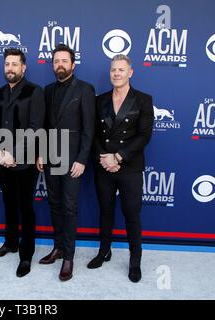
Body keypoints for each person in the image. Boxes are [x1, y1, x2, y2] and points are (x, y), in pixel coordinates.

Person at [87, 54, 154, 283]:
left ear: (130, 73)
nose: (116, 73)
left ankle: (135, 262)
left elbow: (144, 135)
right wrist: (104, 158)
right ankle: (104, 251)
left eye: (121, 70)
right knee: (105, 212)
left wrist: (119, 157)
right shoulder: (100, 100)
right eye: (113, 70)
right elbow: (94, 133)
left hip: (130, 166)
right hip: (104, 164)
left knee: (131, 215)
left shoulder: (143, 100)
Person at [37, 44, 95, 281]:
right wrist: (41, 152)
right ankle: (58, 247)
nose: (59, 65)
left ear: (73, 64)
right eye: (56, 61)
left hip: (72, 159)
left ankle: (69, 257)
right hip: (51, 156)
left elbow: (89, 129)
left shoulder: (85, 89)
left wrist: (82, 159)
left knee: (70, 207)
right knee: (55, 204)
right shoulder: (48, 90)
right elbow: (44, 126)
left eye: (64, 61)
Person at [0, 48, 45, 278]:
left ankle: (26, 254)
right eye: (7, 64)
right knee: (9, 204)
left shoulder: (35, 92)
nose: (10, 68)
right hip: (3, 161)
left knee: (25, 208)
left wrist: (15, 154)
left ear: (24, 67)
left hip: (25, 162)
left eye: (14, 64)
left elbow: (35, 127)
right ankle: (10, 243)